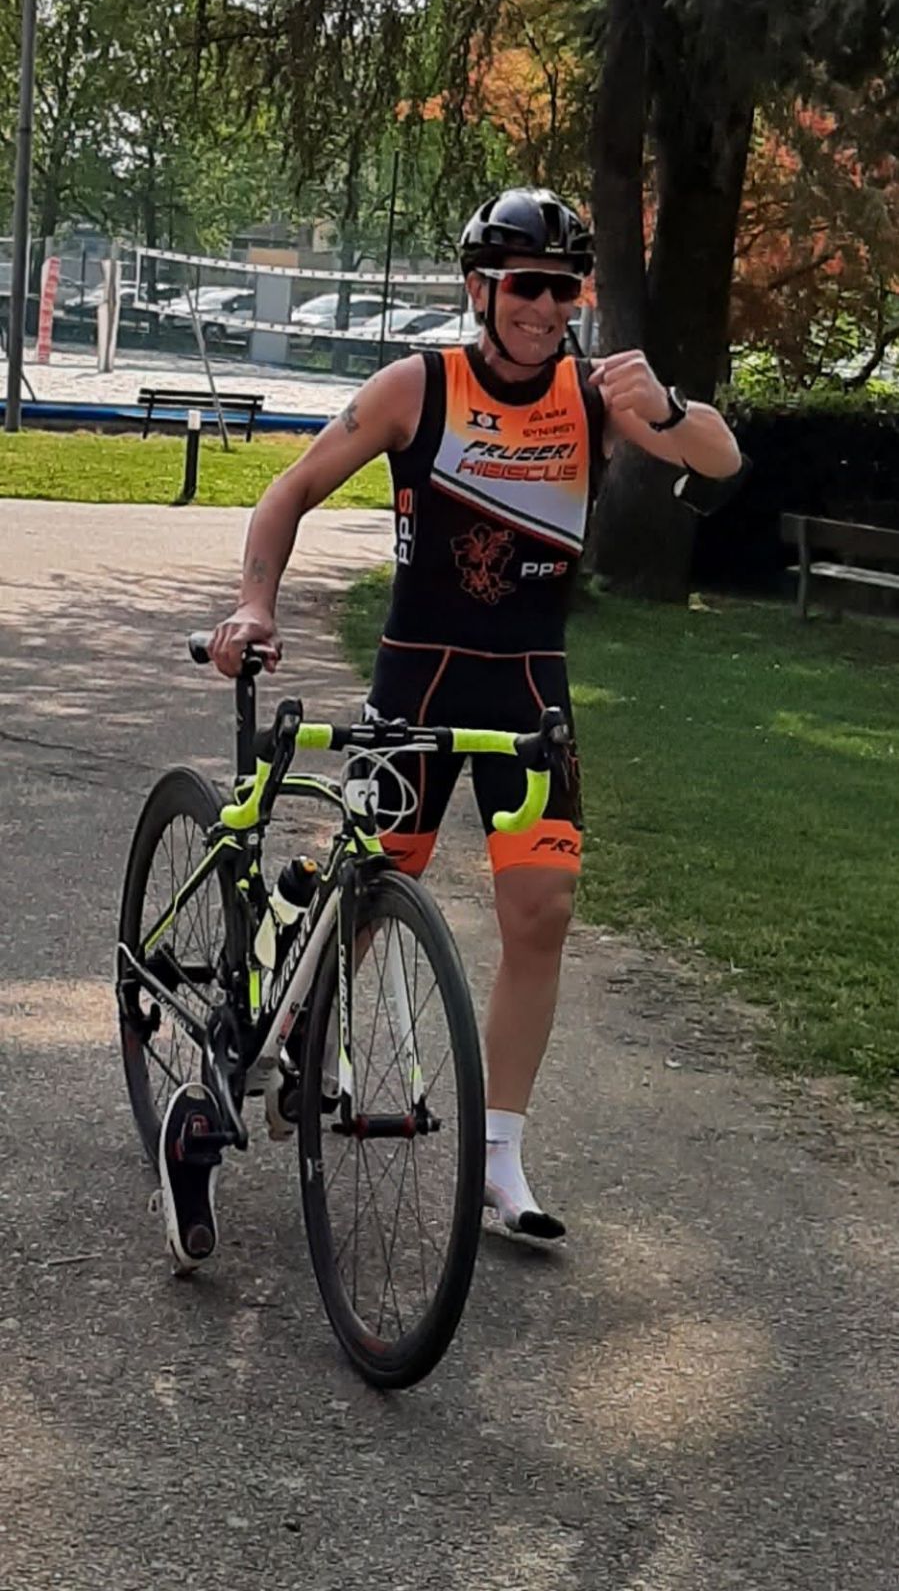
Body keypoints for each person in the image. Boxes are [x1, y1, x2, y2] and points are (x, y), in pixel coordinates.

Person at [165, 187, 742, 1260]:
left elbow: (720, 464)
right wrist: (255, 606)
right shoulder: (417, 387)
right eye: (524, 285)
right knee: (366, 898)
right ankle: (293, 1018)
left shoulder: (594, 393)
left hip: (529, 689)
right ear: (480, 288)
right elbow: (289, 492)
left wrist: (664, 411)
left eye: (563, 288)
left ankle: (498, 1157)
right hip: (417, 682)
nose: (543, 307)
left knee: (542, 912)